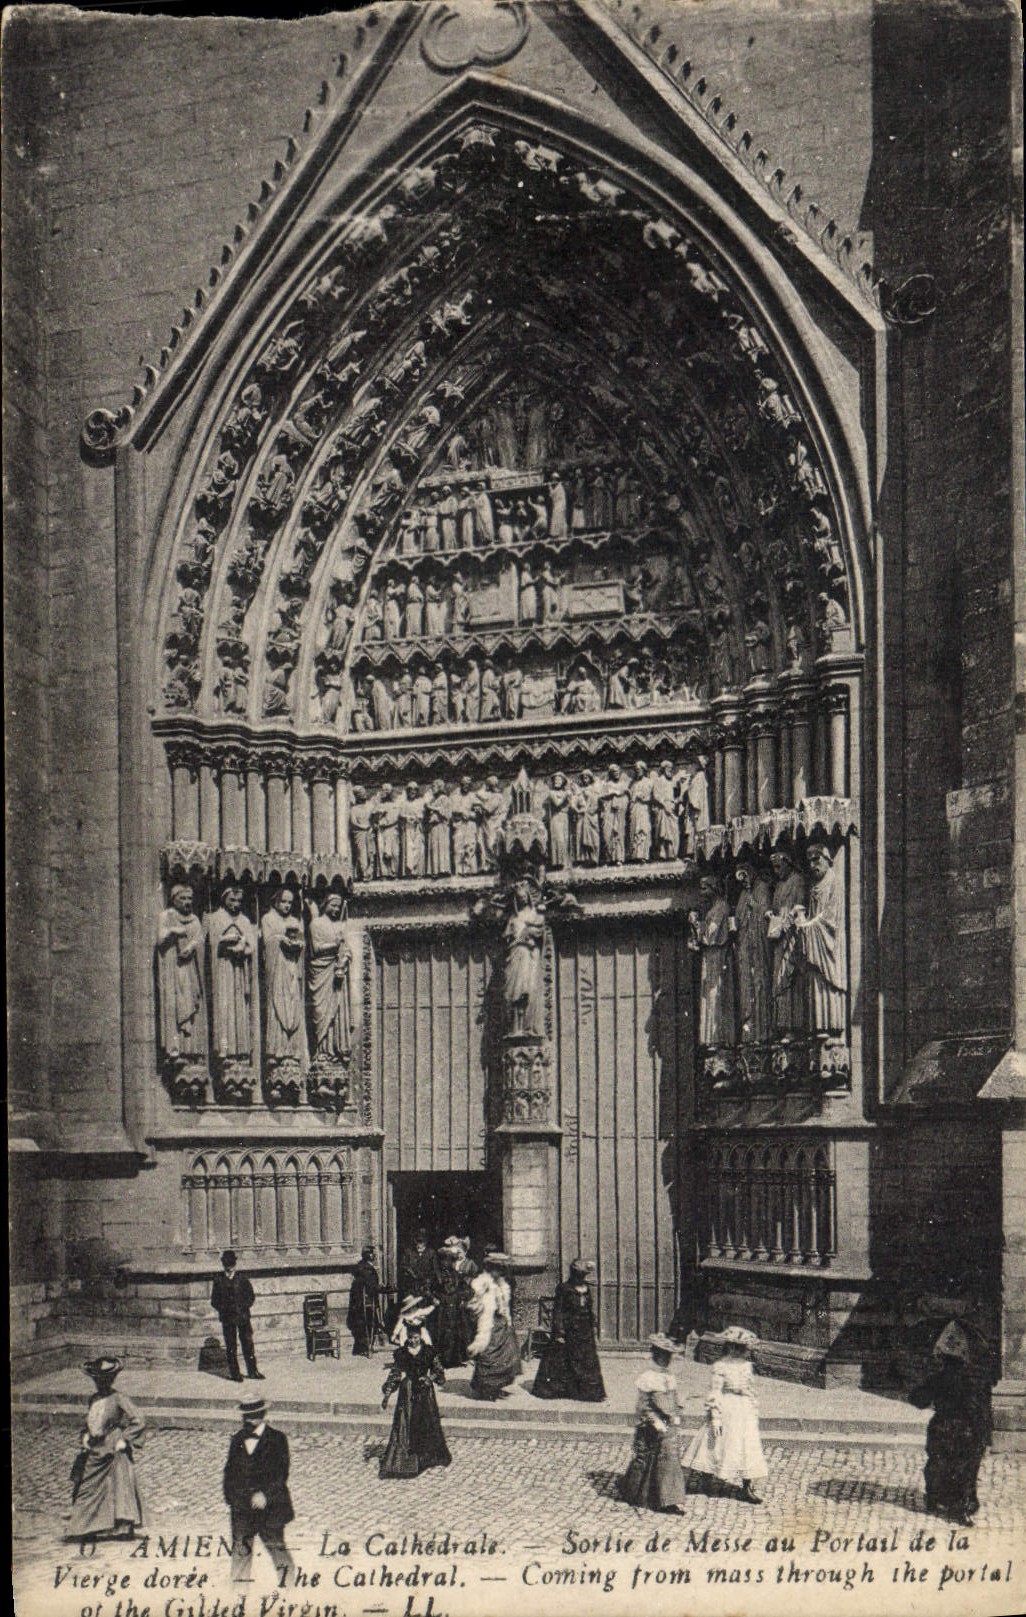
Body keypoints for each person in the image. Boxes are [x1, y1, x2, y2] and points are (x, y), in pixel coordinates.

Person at [909, 1320, 991, 1526]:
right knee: (964, 1468)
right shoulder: (972, 1382)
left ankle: (934, 1498)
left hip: (941, 1427)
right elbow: (977, 1410)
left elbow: (918, 1400)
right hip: (965, 1430)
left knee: (938, 1463)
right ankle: (960, 1507)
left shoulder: (937, 1378)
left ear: (943, 1359)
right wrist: (983, 1434)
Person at [681, 1325, 767, 1502]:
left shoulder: (746, 1366)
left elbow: (750, 1389)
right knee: (716, 1442)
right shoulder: (720, 1366)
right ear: (731, 1347)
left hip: (743, 1409)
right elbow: (715, 1392)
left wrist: (753, 1408)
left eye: (744, 1348)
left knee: (747, 1445)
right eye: (739, 1348)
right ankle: (706, 1480)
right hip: (727, 1407)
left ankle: (746, 1486)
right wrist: (715, 1416)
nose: (743, 1352)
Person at [67, 1356, 145, 1542]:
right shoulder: (93, 1399)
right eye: (97, 1379)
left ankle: (122, 1527)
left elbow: (139, 1419)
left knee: (118, 1485)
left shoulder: (119, 1398)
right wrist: (86, 1434)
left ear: (111, 1380)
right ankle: (87, 1525)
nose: (100, 1383)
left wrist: (125, 1439)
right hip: (95, 1448)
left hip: (113, 1447)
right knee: (88, 1485)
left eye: (104, 1379)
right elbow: (91, 1421)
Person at [223, 1396, 294, 1585]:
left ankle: (291, 1591)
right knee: (240, 1555)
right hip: (242, 1510)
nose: (248, 1421)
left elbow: (281, 1474)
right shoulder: (238, 1438)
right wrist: (234, 1500)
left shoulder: (277, 1439)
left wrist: (265, 1494)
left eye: (253, 1416)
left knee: (278, 1552)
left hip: (270, 1510)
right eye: (245, 1416)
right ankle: (238, 1600)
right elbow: (230, 1473)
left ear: (262, 1415)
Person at [380, 1314, 452, 1478]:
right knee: (406, 1422)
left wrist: (430, 1379)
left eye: (415, 1337)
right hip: (408, 1392)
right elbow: (395, 1374)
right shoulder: (402, 1353)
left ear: (420, 1335)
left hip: (425, 1393)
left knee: (426, 1422)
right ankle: (406, 1460)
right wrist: (387, 1394)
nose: (412, 1340)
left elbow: (439, 1372)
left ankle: (426, 1456)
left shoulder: (428, 1352)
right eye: (410, 1337)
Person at [619, 1334, 685, 1512]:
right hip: (650, 1424)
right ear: (656, 1355)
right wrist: (655, 1422)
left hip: (667, 1423)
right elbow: (644, 1405)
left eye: (669, 1356)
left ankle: (667, 1500)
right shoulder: (648, 1377)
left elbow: (672, 1399)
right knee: (644, 1459)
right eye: (664, 1355)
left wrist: (676, 1412)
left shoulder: (668, 1376)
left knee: (667, 1459)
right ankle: (633, 1492)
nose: (667, 1359)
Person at [531, 1258, 606, 1401]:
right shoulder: (564, 1288)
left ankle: (585, 1392)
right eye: (579, 1275)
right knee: (562, 1359)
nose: (581, 1278)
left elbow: (589, 1309)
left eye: (583, 1275)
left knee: (586, 1360)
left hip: (585, 1332)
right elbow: (558, 1311)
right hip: (569, 1330)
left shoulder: (586, 1289)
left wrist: (593, 1323)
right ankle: (561, 1390)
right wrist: (559, 1332)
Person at [466, 1252, 522, 1400]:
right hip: (488, 1323)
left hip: (501, 1324)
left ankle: (497, 1387)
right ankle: (486, 1389)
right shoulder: (481, 1283)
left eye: (501, 1269)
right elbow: (472, 1303)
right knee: (489, 1356)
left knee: (506, 1357)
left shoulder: (502, 1284)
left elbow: (505, 1305)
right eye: (497, 1269)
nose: (500, 1272)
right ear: (491, 1269)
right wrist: (478, 1298)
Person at [211, 1249, 263, 1383]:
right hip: (227, 1319)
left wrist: (242, 1307)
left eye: (231, 1264)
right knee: (231, 1346)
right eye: (226, 1264)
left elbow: (250, 1297)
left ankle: (253, 1371)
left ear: (235, 1264)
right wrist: (224, 1309)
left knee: (247, 1344)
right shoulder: (218, 1280)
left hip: (243, 1317)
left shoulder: (242, 1279)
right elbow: (214, 1301)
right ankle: (235, 1374)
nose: (229, 1267)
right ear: (223, 1265)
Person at [434, 1236, 477, 1368]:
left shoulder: (467, 1267)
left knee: (462, 1329)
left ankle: (464, 1356)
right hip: (448, 1301)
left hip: (460, 1301)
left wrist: (463, 1297)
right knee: (446, 1328)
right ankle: (446, 1358)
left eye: (459, 1253)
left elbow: (469, 1286)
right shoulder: (443, 1271)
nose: (450, 1261)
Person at [346, 1244, 382, 1358]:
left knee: (363, 1325)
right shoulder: (366, 1269)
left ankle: (363, 1348)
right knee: (370, 1324)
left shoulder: (361, 1267)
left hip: (360, 1303)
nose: (375, 1256)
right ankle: (367, 1348)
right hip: (367, 1302)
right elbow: (371, 1286)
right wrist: (384, 1289)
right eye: (373, 1254)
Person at [399, 1227, 441, 1303]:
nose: (418, 1245)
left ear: (426, 1242)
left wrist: (430, 1281)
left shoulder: (431, 1253)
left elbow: (435, 1270)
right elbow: (403, 1266)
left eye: (421, 1242)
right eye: (417, 1242)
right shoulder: (409, 1252)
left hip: (427, 1287)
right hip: (411, 1287)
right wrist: (411, 1273)